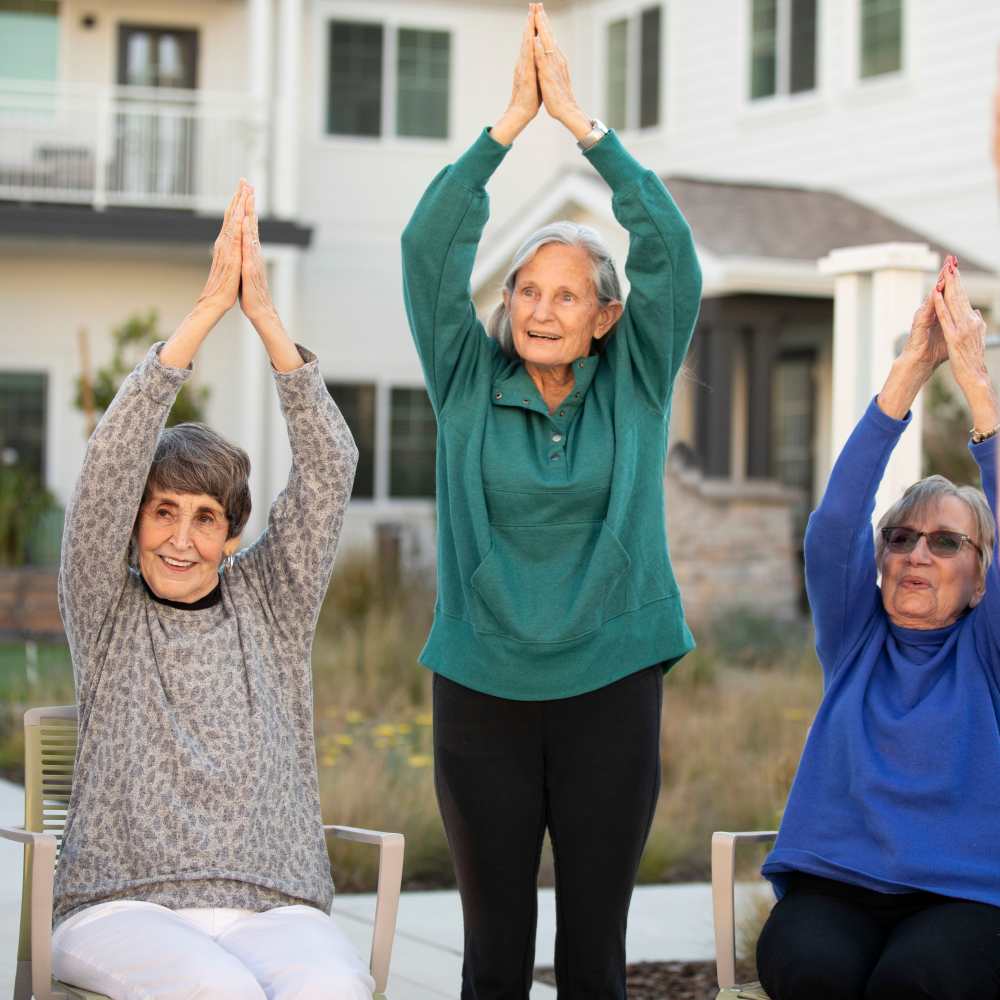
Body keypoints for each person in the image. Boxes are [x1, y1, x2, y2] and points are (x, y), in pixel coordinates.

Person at [400, 5, 702, 996]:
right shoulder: (463, 381)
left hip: (610, 684)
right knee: (492, 950)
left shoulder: (637, 381)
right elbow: (426, 250)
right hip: (481, 684)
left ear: (605, 316)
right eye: (526, 289)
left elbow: (671, 254)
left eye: (565, 294)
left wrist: (580, 126)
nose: (538, 308)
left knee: (592, 953)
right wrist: (504, 131)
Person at [50, 180, 372, 999]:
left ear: (233, 536)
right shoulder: (106, 608)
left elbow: (331, 467)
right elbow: (106, 469)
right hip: (120, 906)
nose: (181, 540)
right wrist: (203, 312)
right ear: (134, 522)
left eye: (204, 519)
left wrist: (264, 318)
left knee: (330, 993)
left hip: (274, 907)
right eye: (162, 513)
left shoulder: (273, 604)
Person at [756, 256, 1000, 1000]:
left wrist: (975, 384)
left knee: (916, 984)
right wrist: (912, 369)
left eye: (946, 541)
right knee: (810, 971)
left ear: (981, 576)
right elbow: (835, 525)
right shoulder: (855, 636)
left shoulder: (985, 652)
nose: (917, 553)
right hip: (837, 885)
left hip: (965, 897)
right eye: (901, 538)